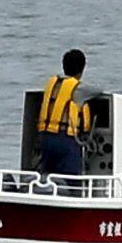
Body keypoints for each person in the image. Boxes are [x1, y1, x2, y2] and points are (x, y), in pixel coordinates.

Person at [34, 48, 96, 177]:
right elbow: (99, 89)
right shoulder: (79, 89)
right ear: (82, 69)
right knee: (71, 180)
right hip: (66, 141)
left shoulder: (52, 84)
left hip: (46, 139)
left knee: (48, 177)